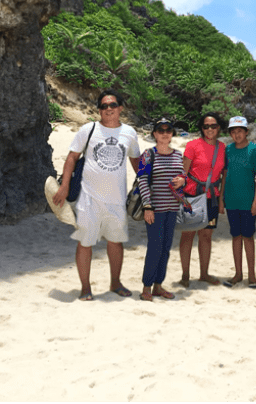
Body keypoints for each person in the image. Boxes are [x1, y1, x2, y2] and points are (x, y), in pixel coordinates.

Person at [52, 89, 141, 301]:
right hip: (88, 198)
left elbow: (137, 163)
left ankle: (115, 282)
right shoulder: (88, 129)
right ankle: (85, 287)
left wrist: (149, 187)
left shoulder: (129, 133)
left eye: (112, 105)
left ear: (120, 108)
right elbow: (72, 158)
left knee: (116, 242)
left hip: (117, 199)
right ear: (99, 110)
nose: (108, 109)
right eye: (104, 106)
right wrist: (64, 187)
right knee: (85, 242)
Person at [135, 117, 187, 301]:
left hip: (172, 209)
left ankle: (158, 285)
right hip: (154, 210)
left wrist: (183, 180)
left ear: (172, 133)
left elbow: (183, 178)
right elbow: (142, 180)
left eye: (168, 130)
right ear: (155, 134)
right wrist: (148, 206)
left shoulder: (178, 155)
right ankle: (146, 287)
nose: (165, 133)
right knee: (155, 247)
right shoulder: (148, 154)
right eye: (161, 130)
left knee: (166, 248)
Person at [178, 113, 228, 287]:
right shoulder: (192, 146)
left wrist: (221, 200)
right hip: (192, 195)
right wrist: (180, 197)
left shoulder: (223, 148)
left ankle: (204, 273)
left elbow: (224, 176)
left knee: (206, 235)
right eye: (206, 126)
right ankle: (185, 274)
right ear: (201, 128)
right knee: (188, 234)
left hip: (212, 198)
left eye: (213, 126)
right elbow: (183, 173)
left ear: (219, 127)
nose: (209, 130)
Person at [222, 116, 256, 289]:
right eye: (233, 131)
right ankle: (238, 274)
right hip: (231, 200)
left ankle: (252, 275)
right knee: (235, 236)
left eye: (240, 131)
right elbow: (225, 173)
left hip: (247, 201)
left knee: (248, 237)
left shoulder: (254, 150)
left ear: (246, 131)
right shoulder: (228, 149)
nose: (236, 134)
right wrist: (221, 198)